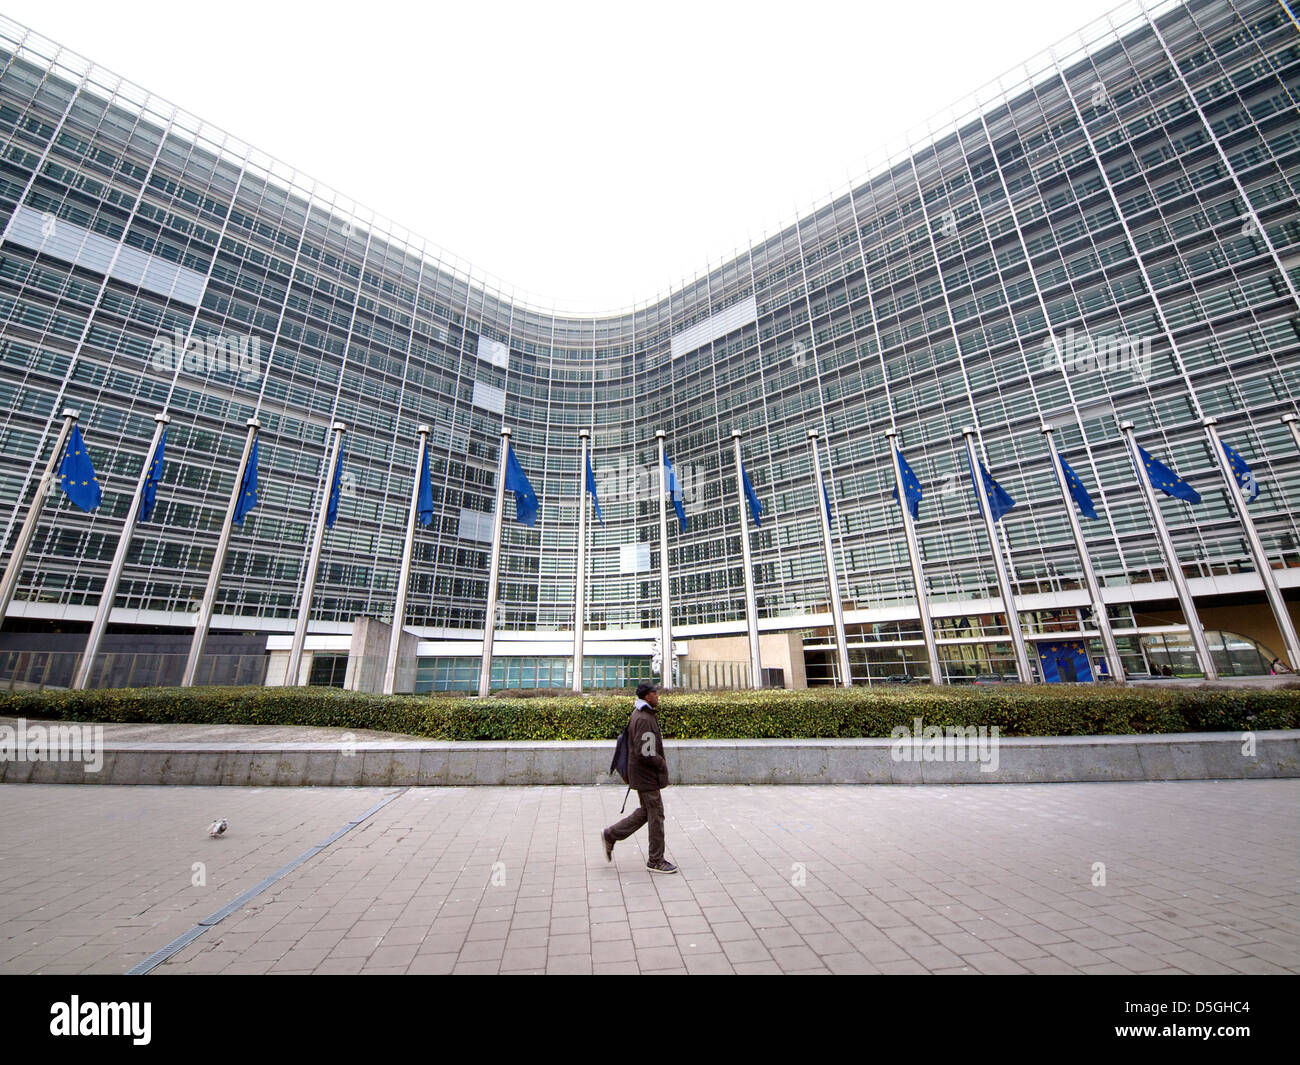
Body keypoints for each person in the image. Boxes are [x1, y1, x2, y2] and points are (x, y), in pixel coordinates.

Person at [602, 681, 677, 874]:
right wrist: (661, 763)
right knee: (656, 815)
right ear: (646, 696)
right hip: (647, 776)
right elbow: (646, 751)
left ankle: (611, 834)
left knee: (647, 812)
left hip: (642, 774)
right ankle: (656, 860)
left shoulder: (642, 714)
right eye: (655, 693)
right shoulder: (644, 718)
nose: (658, 696)